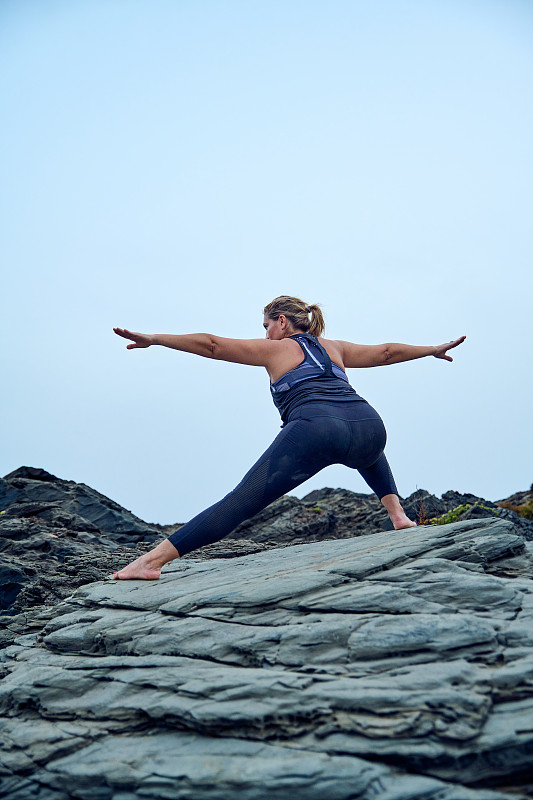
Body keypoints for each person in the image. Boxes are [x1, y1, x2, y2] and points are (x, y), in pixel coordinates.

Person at [112, 295, 465, 580]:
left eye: (267, 326)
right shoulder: (335, 347)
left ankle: (151, 562)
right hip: (371, 425)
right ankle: (399, 516)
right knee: (365, 445)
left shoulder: (277, 349)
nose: (265, 335)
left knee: (240, 501)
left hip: (316, 429)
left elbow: (214, 345)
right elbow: (387, 352)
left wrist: (156, 339)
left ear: (282, 321)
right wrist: (430, 349)